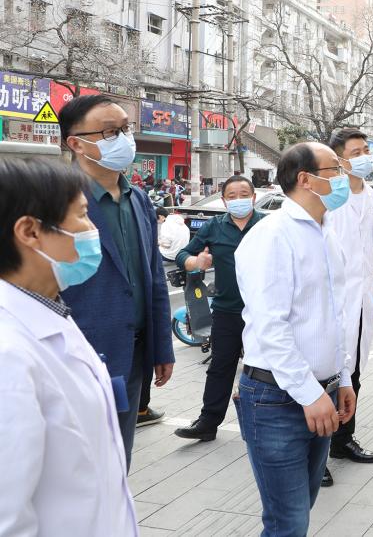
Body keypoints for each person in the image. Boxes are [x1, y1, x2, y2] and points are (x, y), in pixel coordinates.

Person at [0, 159, 138, 536]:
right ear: (30, 231)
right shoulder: (8, 355)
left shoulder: (50, 309)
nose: (93, 229)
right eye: (82, 215)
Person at [234, 142, 357, 536]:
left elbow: (335, 316)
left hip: (322, 392)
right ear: (306, 179)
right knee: (287, 521)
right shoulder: (271, 236)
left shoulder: (326, 232)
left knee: (301, 508)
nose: (344, 177)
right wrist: (309, 393)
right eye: (335, 169)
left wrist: (342, 378)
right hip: (276, 399)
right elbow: (271, 327)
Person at [58, 95, 175, 469]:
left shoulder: (138, 199)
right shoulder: (56, 202)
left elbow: (153, 278)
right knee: (78, 465)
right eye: (110, 132)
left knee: (118, 461)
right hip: (79, 356)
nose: (124, 139)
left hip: (134, 355)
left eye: (126, 129)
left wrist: (162, 347)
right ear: (76, 143)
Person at [173, 175, 265, 442]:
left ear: (253, 197)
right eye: (232, 196)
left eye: (244, 194)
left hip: (263, 311)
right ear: (224, 201)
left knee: (267, 369)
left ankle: (268, 421)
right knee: (220, 367)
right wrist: (195, 262)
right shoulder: (214, 227)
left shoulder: (267, 225)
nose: (239, 200)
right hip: (227, 311)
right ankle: (208, 423)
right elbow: (182, 255)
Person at [322, 128, 373, 488]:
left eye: (365, 150)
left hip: (361, 301)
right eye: (355, 152)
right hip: (333, 301)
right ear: (340, 160)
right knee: (326, 375)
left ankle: (343, 440)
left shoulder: (372, 196)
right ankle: (316, 453)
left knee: (353, 372)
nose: (364, 157)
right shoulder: (331, 196)